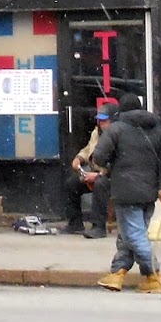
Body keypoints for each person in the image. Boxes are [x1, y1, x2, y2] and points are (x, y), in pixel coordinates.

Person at [84, 93, 161, 292]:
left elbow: (98, 157)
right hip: (149, 192)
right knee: (129, 235)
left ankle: (153, 275)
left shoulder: (116, 129)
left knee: (133, 235)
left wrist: (102, 163)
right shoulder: (156, 129)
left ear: (121, 110)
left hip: (125, 190)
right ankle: (117, 273)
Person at [63, 101, 118, 237]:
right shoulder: (97, 132)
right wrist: (79, 159)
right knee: (71, 184)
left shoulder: (118, 136)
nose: (101, 123)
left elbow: (117, 162)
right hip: (95, 171)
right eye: (99, 120)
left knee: (100, 184)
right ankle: (75, 223)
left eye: (104, 121)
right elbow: (89, 149)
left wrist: (99, 174)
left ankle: (98, 226)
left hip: (113, 176)